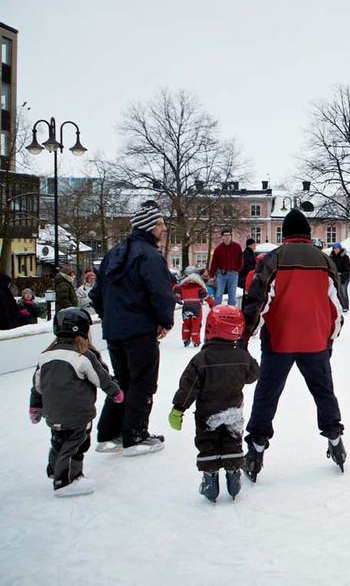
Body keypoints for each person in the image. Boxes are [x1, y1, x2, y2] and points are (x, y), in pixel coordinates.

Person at [242, 208, 345, 482]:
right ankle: (334, 436)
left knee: (267, 393)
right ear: (308, 234)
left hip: (279, 339)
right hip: (315, 341)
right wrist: (329, 340)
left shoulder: (274, 259)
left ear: (285, 234)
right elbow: (337, 306)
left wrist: (244, 337)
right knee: (324, 392)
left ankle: (256, 446)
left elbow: (258, 300)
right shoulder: (325, 261)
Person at [90, 200, 176, 456]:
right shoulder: (149, 256)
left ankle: (109, 433)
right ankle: (135, 434)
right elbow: (160, 293)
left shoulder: (115, 253)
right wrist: (165, 320)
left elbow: (97, 294)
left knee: (123, 379)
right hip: (139, 329)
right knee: (142, 381)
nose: (164, 228)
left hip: (115, 330)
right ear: (150, 226)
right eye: (160, 223)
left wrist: (110, 318)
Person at [168, 305, 260, 502]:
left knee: (208, 444)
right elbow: (254, 374)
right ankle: (233, 474)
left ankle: (210, 479)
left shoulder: (201, 359)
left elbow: (188, 387)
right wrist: (244, 353)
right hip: (233, 412)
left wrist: (178, 408)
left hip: (207, 415)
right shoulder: (241, 356)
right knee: (232, 442)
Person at [29, 308, 124, 497]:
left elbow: (37, 385)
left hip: (53, 412)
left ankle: (55, 469)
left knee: (58, 440)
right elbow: (102, 378)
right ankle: (66, 480)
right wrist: (116, 393)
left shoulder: (45, 356)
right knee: (76, 444)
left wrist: (35, 406)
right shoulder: (84, 355)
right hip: (78, 413)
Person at [173, 267, 215, 348]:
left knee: (186, 323)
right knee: (196, 323)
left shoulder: (182, 287)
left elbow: (177, 295)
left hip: (186, 307)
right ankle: (196, 340)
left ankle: (185, 339)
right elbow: (206, 297)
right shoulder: (199, 287)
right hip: (196, 307)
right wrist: (212, 305)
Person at [208, 229, 244, 306]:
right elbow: (214, 263)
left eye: (229, 235)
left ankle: (231, 313)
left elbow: (240, 260)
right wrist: (212, 275)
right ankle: (216, 311)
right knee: (218, 295)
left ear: (231, 236)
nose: (227, 237)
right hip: (221, 274)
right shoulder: (218, 249)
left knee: (232, 296)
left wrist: (237, 270)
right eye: (225, 235)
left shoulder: (237, 247)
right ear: (222, 237)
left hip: (233, 274)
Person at [329, 243, 350, 313]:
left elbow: (347, 270)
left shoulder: (345, 257)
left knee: (343, 292)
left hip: (344, 278)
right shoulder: (331, 257)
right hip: (335, 277)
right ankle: (339, 306)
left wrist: (342, 278)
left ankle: (345, 307)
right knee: (336, 293)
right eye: (334, 248)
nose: (335, 250)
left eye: (337, 248)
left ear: (340, 248)